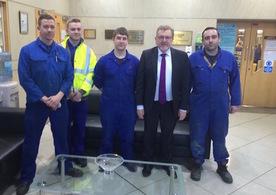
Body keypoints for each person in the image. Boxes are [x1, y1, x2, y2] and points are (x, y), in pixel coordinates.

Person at [16, 14, 83, 195]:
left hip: (59, 104)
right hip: (37, 105)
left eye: (52, 27)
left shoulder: (62, 52)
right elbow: (25, 79)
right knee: (32, 141)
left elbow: (69, 77)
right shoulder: (27, 51)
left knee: (62, 138)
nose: (49, 30)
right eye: (45, 27)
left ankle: (66, 167)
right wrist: (45, 98)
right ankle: (26, 177)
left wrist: (59, 95)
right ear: (38, 28)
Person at [135, 25, 190, 177]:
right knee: (149, 135)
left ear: (172, 39)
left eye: (167, 37)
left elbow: (186, 85)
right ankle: (148, 163)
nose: (164, 40)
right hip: (151, 104)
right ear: (156, 39)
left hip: (171, 105)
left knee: (167, 135)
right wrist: (139, 105)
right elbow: (140, 82)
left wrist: (183, 107)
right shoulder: (146, 55)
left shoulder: (181, 57)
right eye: (161, 37)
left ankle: (166, 163)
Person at [189, 27, 241, 184]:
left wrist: (236, 101)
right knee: (197, 135)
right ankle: (197, 163)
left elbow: (235, 81)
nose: (210, 40)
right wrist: (183, 104)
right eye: (207, 38)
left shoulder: (229, 58)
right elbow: (186, 83)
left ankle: (222, 165)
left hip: (220, 104)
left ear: (219, 39)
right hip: (199, 104)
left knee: (220, 135)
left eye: (213, 37)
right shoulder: (194, 58)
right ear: (203, 41)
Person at [93, 27, 139, 172]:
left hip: (128, 106)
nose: (121, 41)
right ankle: (104, 161)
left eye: (124, 38)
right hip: (109, 106)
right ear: (113, 39)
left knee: (128, 135)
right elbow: (98, 81)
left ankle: (128, 160)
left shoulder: (135, 62)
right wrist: (109, 93)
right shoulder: (104, 61)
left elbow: (138, 83)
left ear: (127, 41)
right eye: (118, 38)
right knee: (107, 135)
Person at [61, 18, 97, 167]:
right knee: (63, 129)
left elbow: (91, 74)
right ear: (68, 31)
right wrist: (67, 92)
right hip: (63, 98)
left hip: (81, 99)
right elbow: (56, 73)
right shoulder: (58, 48)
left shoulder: (89, 51)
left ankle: (79, 155)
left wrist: (81, 92)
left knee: (79, 128)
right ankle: (65, 156)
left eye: (78, 29)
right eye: (73, 29)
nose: (76, 32)